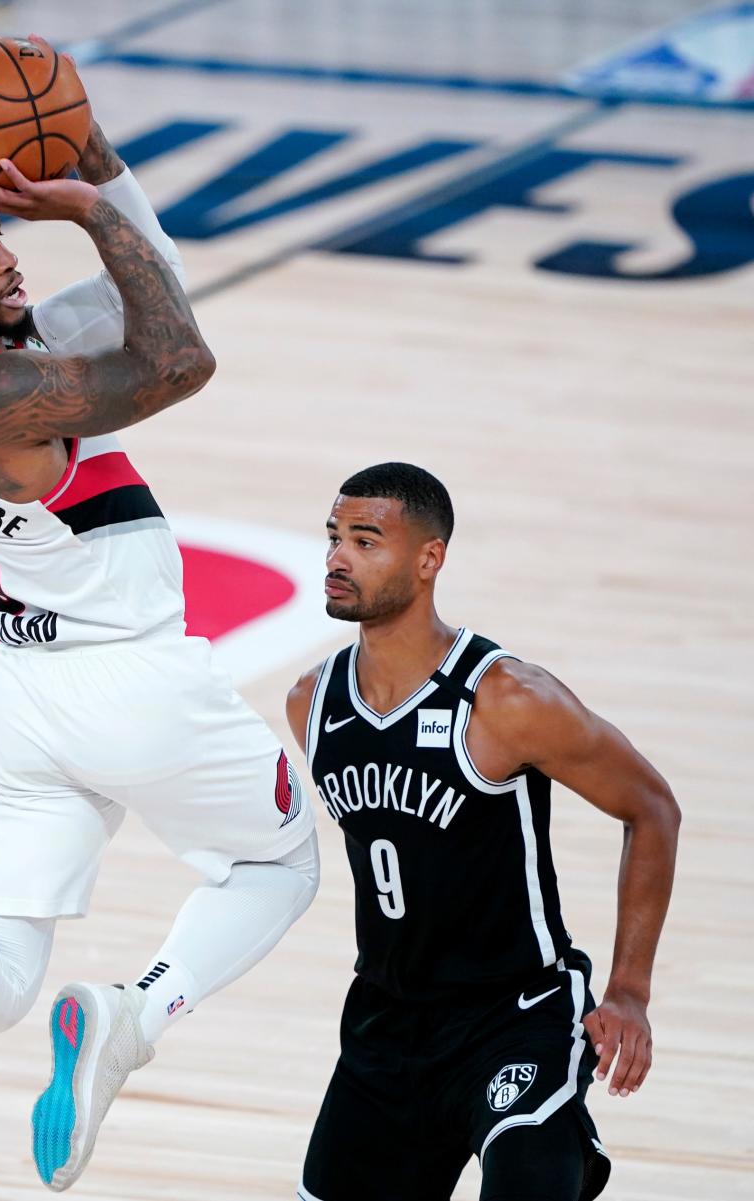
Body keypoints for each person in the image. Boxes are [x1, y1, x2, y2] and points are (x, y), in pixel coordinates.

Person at [0, 72, 318, 1194]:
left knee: (1, 985)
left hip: (24, 699)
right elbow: (179, 360)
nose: (8, 253)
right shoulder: (0, 397)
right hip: (130, 687)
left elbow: (148, 289)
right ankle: (134, 1014)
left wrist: (95, 153)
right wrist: (94, 214)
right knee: (282, 860)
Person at [286, 462, 680, 1201]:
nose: (338, 557)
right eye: (334, 537)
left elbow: (652, 806)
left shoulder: (505, 698)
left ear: (429, 559)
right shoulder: (313, 701)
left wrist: (628, 989)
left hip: (513, 1017)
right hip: (385, 1020)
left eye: (366, 541)